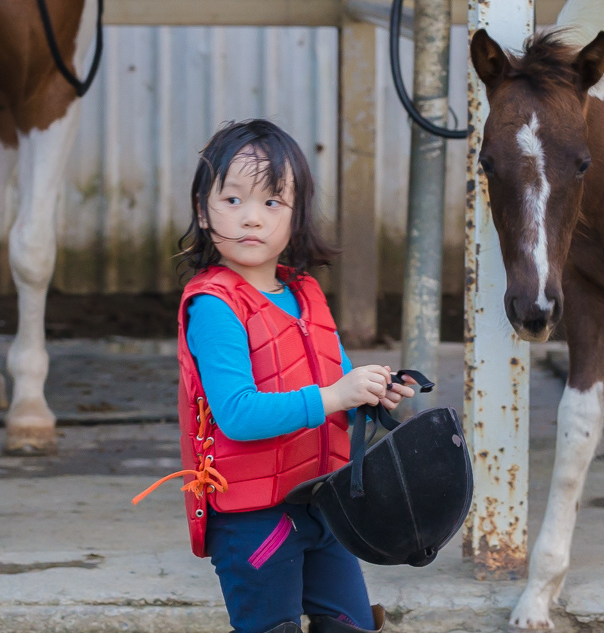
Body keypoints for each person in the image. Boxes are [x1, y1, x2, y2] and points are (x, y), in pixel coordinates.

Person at [134, 119, 416, 633]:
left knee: (352, 625)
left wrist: (372, 391)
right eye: (233, 200)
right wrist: (335, 395)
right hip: (254, 517)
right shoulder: (215, 306)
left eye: (271, 203)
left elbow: (336, 378)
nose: (252, 220)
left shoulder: (305, 293)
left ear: (295, 216)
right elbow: (238, 415)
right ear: (203, 210)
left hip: (323, 504)